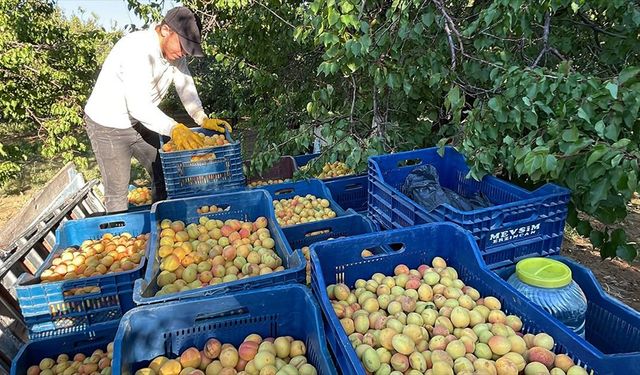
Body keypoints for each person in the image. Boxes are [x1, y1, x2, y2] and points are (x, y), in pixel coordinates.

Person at [83, 6, 231, 213]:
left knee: (163, 172)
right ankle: (121, 234)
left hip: (140, 122)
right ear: (164, 31)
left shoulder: (175, 54)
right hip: (108, 125)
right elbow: (138, 105)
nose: (183, 52)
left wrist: (200, 116)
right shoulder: (135, 50)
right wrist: (174, 128)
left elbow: (185, 84)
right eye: (182, 45)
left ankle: (163, 222)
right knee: (117, 192)